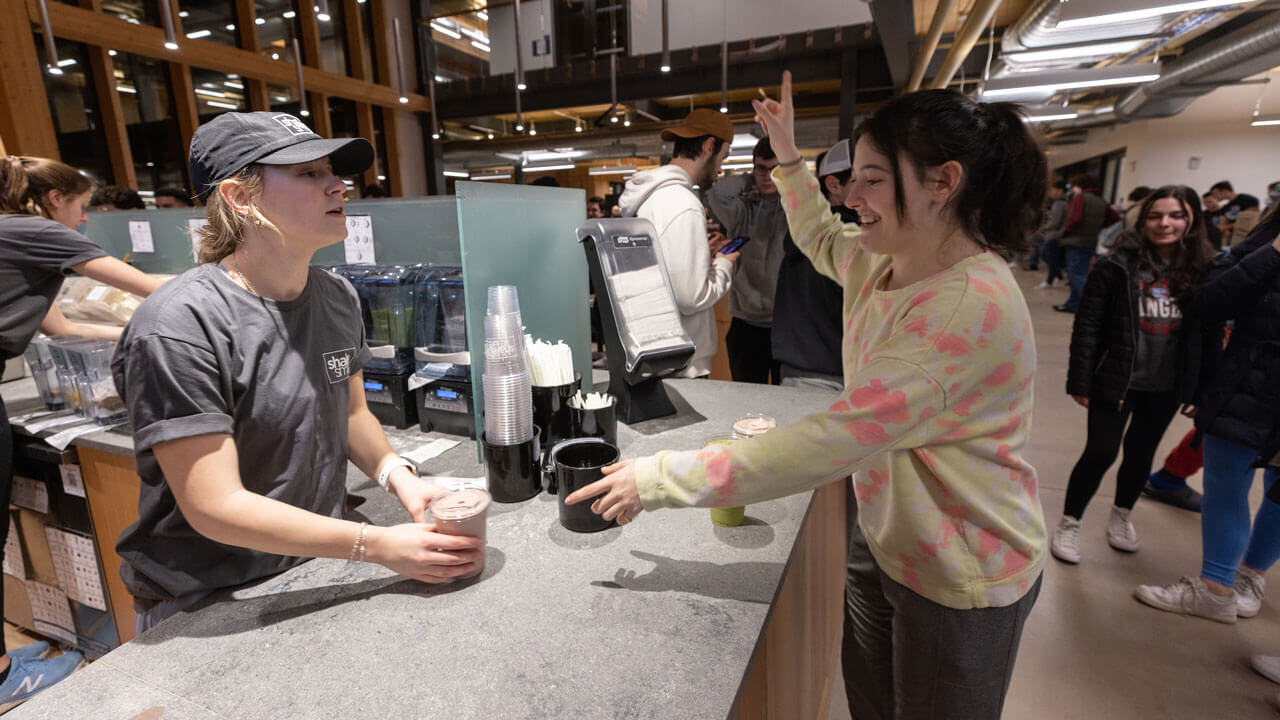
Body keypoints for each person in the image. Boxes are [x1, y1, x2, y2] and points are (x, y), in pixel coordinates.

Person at [571, 72, 1048, 720]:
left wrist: (656, 480)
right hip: (890, 538)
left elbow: (831, 442)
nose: (851, 193)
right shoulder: (885, 261)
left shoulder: (964, 310)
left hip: (957, 567)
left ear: (943, 183)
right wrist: (790, 160)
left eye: (873, 178)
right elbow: (821, 237)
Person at [111, 112, 483, 633]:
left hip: (314, 563)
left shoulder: (336, 296)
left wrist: (399, 478)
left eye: (332, 170)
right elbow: (214, 507)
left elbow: (352, 412)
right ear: (240, 197)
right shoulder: (179, 324)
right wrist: (373, 545)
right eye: (309, 174)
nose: (338, 185)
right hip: (208, 598)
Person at [1, 155, 165, 709]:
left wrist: (131, 331)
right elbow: (150, 288)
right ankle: (4, 678)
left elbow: (63, 326)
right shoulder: (32, 230)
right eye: (82, 208)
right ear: (54, 201)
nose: (84, 222)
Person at [1050, 186, 1215, 565]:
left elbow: (1206, 335)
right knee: (1101, 451)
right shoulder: (1116, 265)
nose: (1165, 224)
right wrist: (1080, 378)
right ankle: (1070, 522)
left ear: (1191, 221)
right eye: (1155, 216)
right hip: (1117, 377)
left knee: (1141, 454)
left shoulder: (1202, 270)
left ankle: (1122, 516)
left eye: (1175, 216)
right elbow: (1088, 324)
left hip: (1166, 386)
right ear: (1143, 221)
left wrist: (1199, 388)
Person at [1134, 209, 1280, 624]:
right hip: (1249, 381)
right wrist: (1275, 251)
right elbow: (1212, 300)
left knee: (1278, 489)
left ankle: (1250, 575)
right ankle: (1216, 587)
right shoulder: (1269, 235)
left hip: (1255, 382)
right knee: (1226, 480)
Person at [617, 107, 738, 378]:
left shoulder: (650, 196)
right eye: (724, 156)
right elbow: (690, 297)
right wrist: (724, 264)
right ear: (709, 146)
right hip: (684, 362)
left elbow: (661, 268)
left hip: (654, 351)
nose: (721, 168)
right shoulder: (684, 204)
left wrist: (701, 256)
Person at [770, 140, 855, 392]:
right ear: (832, 184)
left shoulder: (805, 236)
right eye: (862, 180)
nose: (864, 194)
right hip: (834, 375)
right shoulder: (849, 239)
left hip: (802, 371)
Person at [708, 137, 787, 384]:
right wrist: (750, 177)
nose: (766, 176)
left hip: (787, 325)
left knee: (790, 405)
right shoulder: (742, 210)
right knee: (748, 404)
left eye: (774, 169)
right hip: (746, 324)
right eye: (761, 168)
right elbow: (717, 192)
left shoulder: (796, 212)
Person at [1055, 174, 1118, 313]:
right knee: (1080, 273)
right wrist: (1098, 226)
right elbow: (1115, 217)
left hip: (1076, 241)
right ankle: (1072, 304)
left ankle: (1092, 307)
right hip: (1090, 241)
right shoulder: (1101, 200)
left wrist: (1064, 232)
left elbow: (1075, 219)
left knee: (1076, 275)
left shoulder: (1081, 198)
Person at [1031, 179, 1068, 284]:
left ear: (1060, 190)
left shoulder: (1059, 203)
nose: (1051, 192)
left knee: (1048, 256)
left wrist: (1043, 228)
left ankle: (1051, 279)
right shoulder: (1064, 202)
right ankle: (1058, 276)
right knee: (1051, 257)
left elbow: (1055, 221)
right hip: (1056, 234)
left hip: (1054, 235)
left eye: (1053, 189)